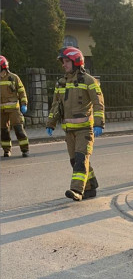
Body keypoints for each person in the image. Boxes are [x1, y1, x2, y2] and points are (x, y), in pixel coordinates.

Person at [46, 47, 105, 201]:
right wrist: (50, 123)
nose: (63, 65)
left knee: (80, 159)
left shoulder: (89, 81)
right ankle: (91, 186)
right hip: (69, 131)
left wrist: (99, 123)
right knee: (76, 161)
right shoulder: (61, 82)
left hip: (85, 130)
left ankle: (77, 191)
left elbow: (98, 104)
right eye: (63, 62)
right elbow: (56, 105)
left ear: (76, 62)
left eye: (66, 61)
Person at [0, 55, 30, 157]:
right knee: (3, 131)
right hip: (1, 111)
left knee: (18, 129)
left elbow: (22, 91)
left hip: (14, 109)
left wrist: (24, 104)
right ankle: (6, 150)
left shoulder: (13, 77)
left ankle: (25, 150)